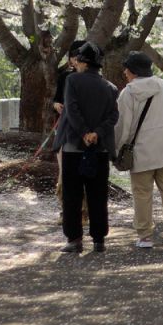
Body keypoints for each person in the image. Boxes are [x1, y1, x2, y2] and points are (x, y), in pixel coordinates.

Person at [115, 51, 163, 250]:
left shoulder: (128, 93)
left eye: (126, 70)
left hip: (142, 151)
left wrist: (117, 149)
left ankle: (145, 235)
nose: (124, 73)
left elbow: (123, 126)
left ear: (131, 71)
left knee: (142, 193)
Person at [55, 41, 118, 254]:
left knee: (72, 194)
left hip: (74, 146)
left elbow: (71, 109)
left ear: (82, 62)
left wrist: (83, 132)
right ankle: (99, 239)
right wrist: (96, 133)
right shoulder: (111, 88)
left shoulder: (72, 80)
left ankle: (74, 239)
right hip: (99, 148)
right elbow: (113, 116)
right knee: (98, 194)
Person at [53, 40, 86, 220]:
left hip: (84, 132)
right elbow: (56, 99)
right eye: (73, 58)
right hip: (65, 129)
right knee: (64, 172)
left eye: (78, 58)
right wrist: (56, 105)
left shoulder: (94, 80)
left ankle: (84, 211)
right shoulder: (64, 77)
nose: (74, 61)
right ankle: (66, 210)